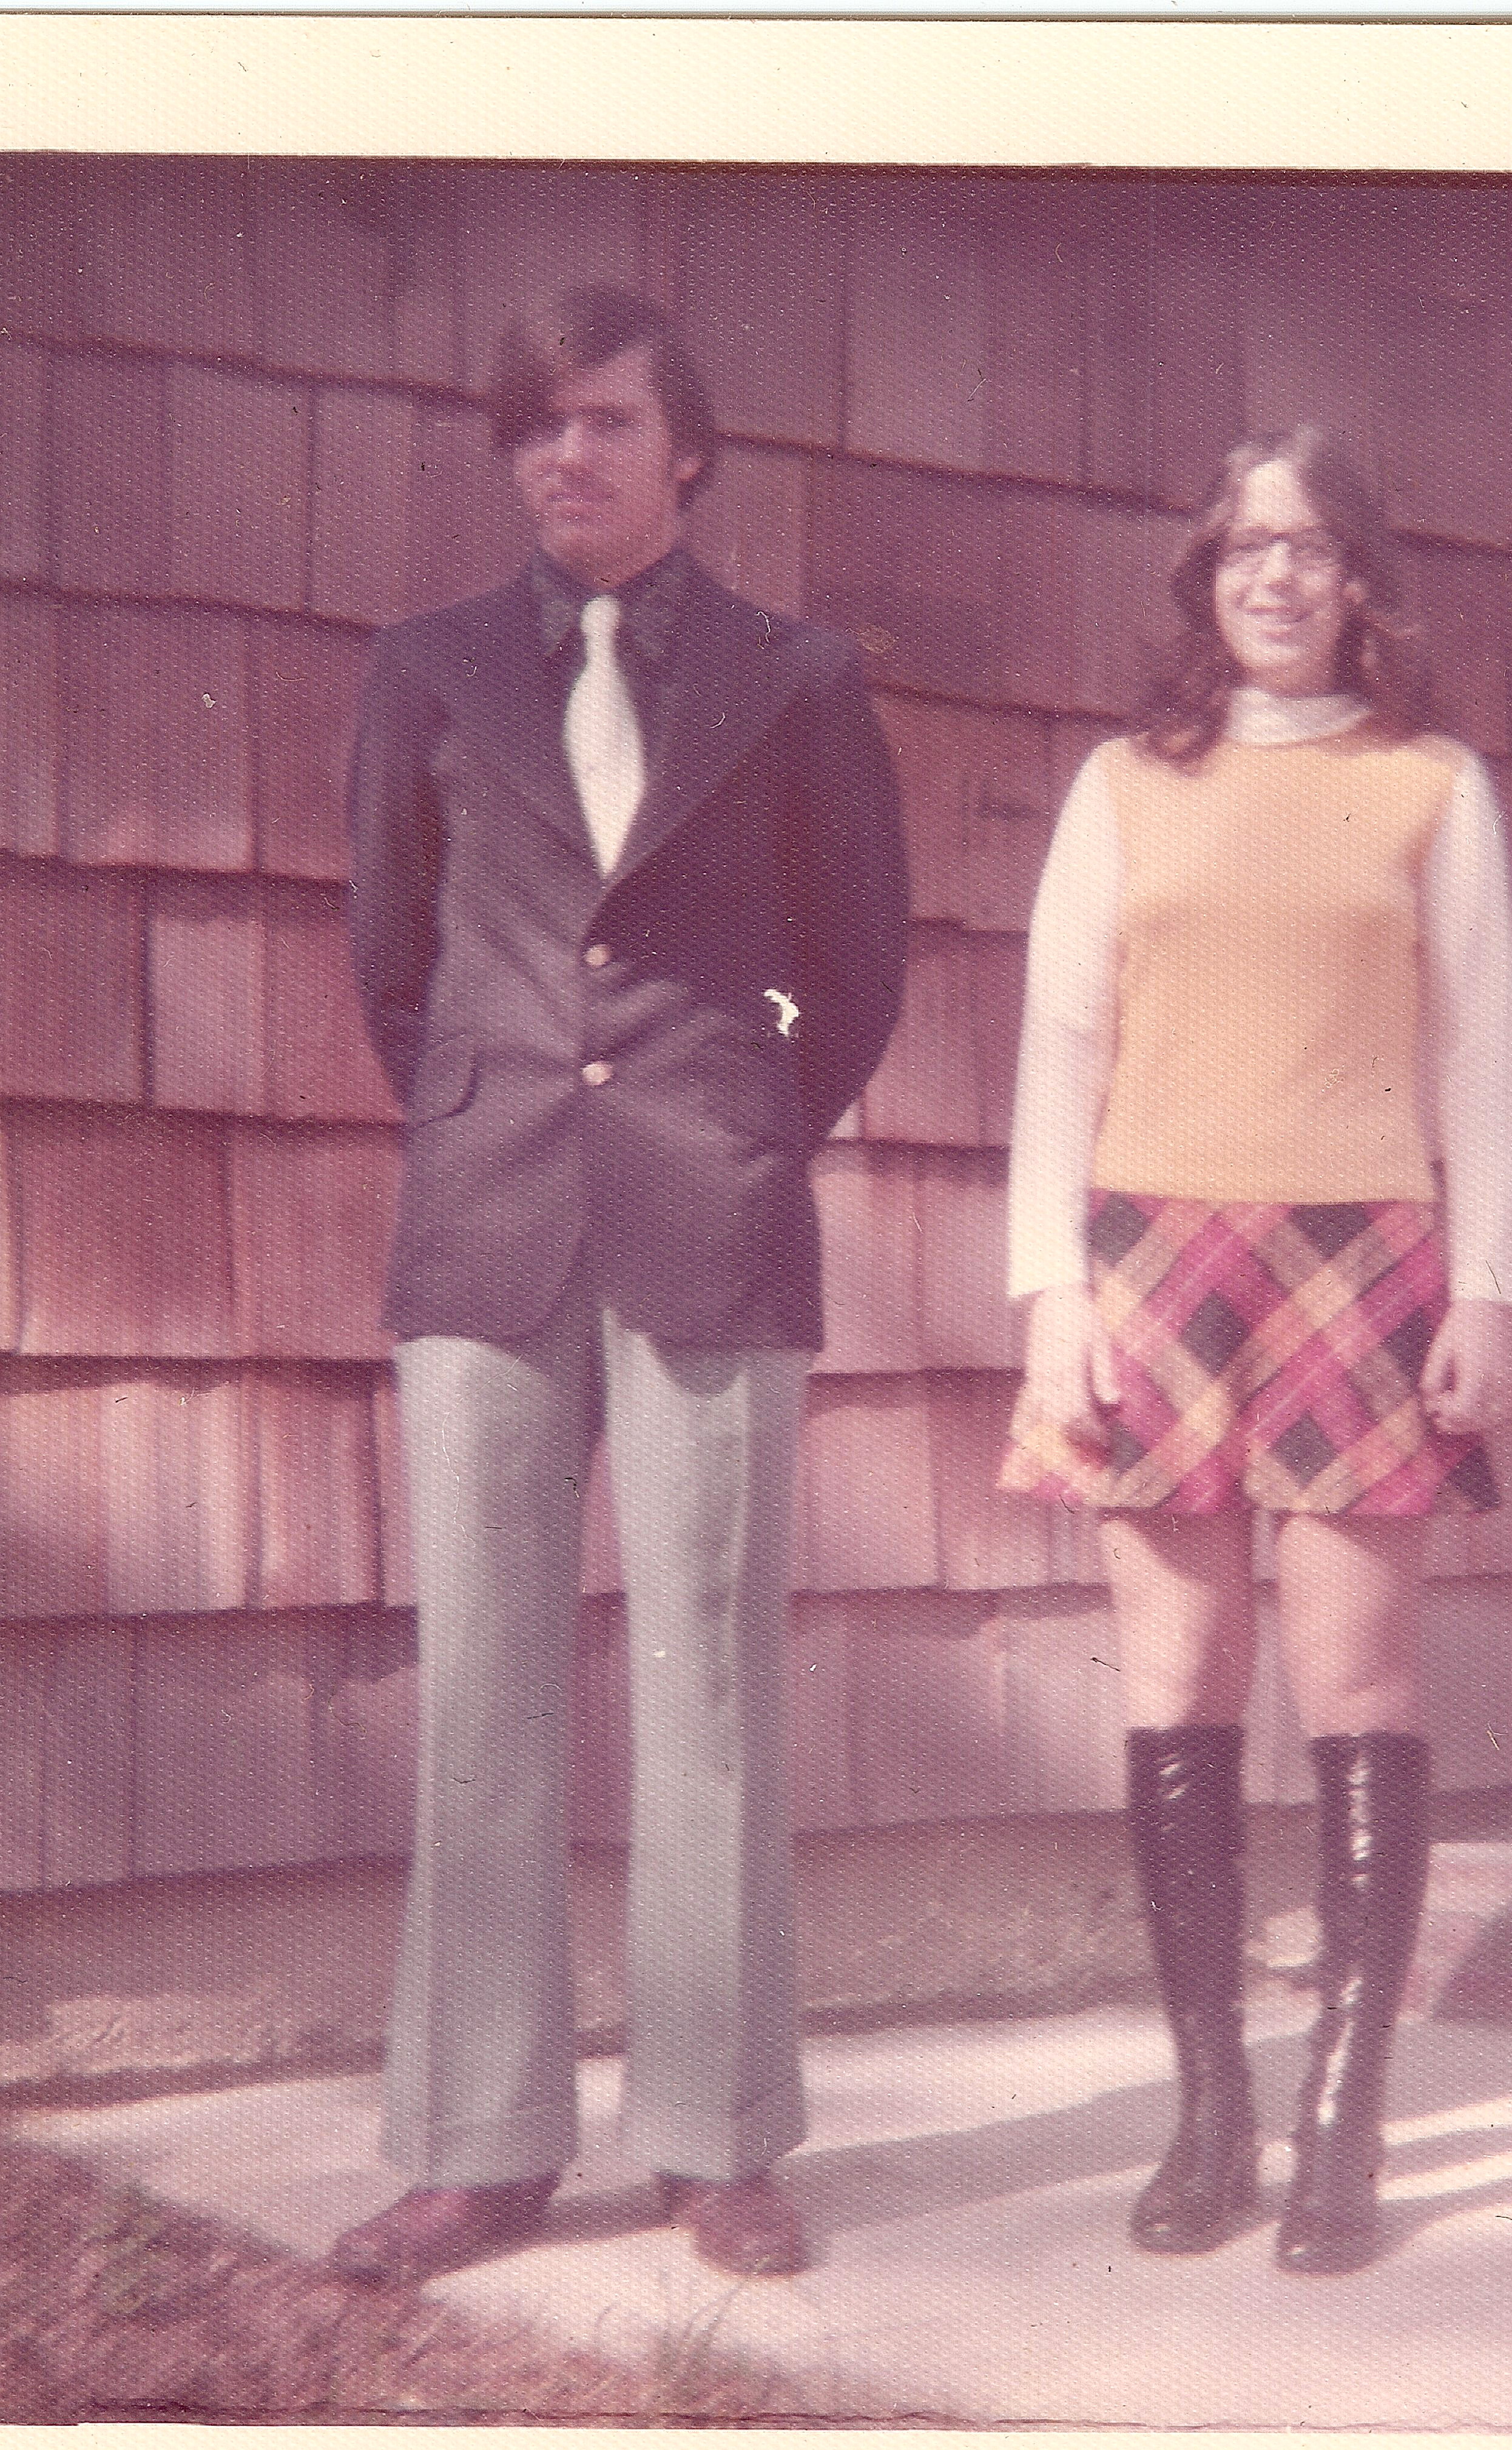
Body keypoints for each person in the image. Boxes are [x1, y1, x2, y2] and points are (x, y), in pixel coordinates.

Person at [334, 286, 909, 2286]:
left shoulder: (796, 679)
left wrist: (739, 1118)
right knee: (482, 1680)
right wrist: (488, 1111)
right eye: (535, 426)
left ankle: (713, 2140)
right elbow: (392, 962)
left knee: (710, 1685)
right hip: (485, 1212)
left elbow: (853, 973)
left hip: (710, 1214)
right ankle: (474, 2150)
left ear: (689, 453)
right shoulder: (425, 670)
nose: (562, 456)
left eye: (602, 422)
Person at [999, 426, 1512, 2276]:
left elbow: (1479, 1051)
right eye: (1245, 547)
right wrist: (1049, 1294)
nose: (1277, 577)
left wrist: (1489, 1285)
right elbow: (1060, 1049)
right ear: (1206, 577)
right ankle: (1210, 2113)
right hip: (1151, 1265)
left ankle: (1339, 2123)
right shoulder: (1122, 787)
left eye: (1310, 547)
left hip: (1363, 1262)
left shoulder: (1429, 785)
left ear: (1359, 578)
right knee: (1176, 1682)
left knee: (1355, 1686)